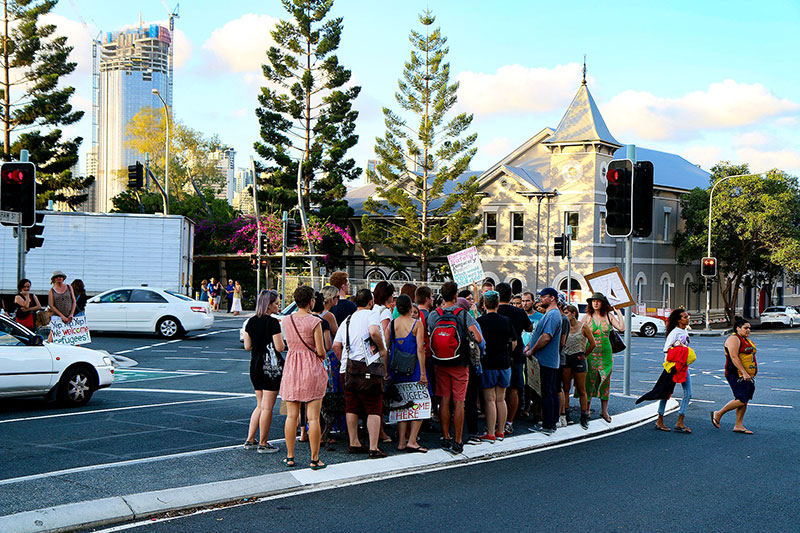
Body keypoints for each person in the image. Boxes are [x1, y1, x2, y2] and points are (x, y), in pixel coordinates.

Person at [332, 289, 389, 458]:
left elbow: (336, 345)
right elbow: (373, 331)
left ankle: (354, 442)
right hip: (369, 368)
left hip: (348, 370)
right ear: (370, 302)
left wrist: (344, 359)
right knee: (374, 407)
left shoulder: (347, 320)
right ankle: (373, 447)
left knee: (352, 406)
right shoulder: (372, 315)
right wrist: (382, 348)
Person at [427, 281, 483, 454]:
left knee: (444, 400)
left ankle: (445, 436)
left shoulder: (434, 314)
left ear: (441, 296)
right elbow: (479, 338)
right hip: (460, 362)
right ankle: (458, 440)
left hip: (440, 361)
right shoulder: (463, 314)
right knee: (459, 402)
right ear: (455, 296)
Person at [280, 286, 329, 469]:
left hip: (292, 367)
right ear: (311, 301)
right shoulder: (315, 321)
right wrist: (320, 355)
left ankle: (290, 456)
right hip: (311, 368)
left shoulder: (286, 320)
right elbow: (321, 350)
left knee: (291, 416)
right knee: (313, 418)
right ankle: (315, 459)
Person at [243, 290, 285, 453]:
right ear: (268, 305)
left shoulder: (250, 322)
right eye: (276, 303)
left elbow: (247, 346)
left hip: (255, 364)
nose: (278, 306)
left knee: (260, 404)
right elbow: (280, 347)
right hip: (271, 367)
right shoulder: (273, 323)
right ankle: (263, 442)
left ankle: (250, 439)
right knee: (268, 406)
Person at [386, 294, 427, 452]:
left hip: (396, 368)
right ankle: (412, 440)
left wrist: (386, 370)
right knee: (420, 403)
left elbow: (388, 349)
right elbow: (420, 350)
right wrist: (423, 373)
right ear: (411, 307)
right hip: (414, 368)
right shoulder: (417, 324)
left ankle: (401, 441)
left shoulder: (392, 324)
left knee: (401, 404)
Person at [476, 290, 515, 442]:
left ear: (484, 304)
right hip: (504, 362)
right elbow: (514, 342)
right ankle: (501, 430)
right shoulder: (506, 320)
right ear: (498, 304)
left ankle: (490, 431)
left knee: (489, 399)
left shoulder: (480, 321)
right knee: (501, 398)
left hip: (488, 362)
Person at [581, 292, 624, 423]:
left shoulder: (609, 316)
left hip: (606, 354)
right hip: (590, 354)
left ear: (603, 303)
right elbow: (579, 333)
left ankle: (604, 411)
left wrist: (619, 312)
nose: (595, 303)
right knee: (589, 381)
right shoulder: (587, 317)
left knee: (605, 381)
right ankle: (586, 410)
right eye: (593, 301)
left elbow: (622, 328)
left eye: (598, 301)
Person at [496, 282, 532, 435]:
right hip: (516, 354)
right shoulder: (518, 312)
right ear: (511, 296)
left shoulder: (493, 311)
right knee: (514, 388)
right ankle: (510, 421)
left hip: (496, 353)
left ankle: (497, 421)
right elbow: (529, 327)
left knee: (497, 391)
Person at [711, 317, 757, 434]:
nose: (748, 330)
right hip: (736, 373)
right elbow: (734, 357)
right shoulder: (734, 339)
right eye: (746, 328)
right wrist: (744, 372)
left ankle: (738, 425)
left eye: (749, 328)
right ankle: (718, 413)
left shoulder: (744, 339)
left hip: (746, 375)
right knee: (742, 399)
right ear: (738, 328)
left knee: (744, 400)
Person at [528, 287, 563, 434]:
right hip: (547, 360)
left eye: (543, 296)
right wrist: (530, 345)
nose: (540, 299)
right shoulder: (549, 314)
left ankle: (548, 425)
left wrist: (532, 350)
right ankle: (551, 422)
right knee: (550, 391)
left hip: (546, 361)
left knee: (547, 392)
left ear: (552, 298)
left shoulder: (553, 315)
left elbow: (546, 337)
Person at [655, 309, 693, 433]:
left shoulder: (684, 330)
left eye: (687, 316)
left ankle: (680, 421)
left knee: (689, 393)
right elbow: (666, 349)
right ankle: (659, 420)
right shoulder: (674, 332)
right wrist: (678, 346)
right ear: (678, 320)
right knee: (666, 393)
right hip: (673, 366)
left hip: (682, 366)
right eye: (684, 317)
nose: (687, 319)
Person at [562, 304, 595, 429]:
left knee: (581, 389)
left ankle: (584, 414)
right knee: (565, 387)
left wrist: (585, 355)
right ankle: (566, 413)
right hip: (567, 358)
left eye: (567, 313)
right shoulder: (564, 327)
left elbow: (592, 343)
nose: (565, 315)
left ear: (573, 313)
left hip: (579, 358)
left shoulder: (583, 326)